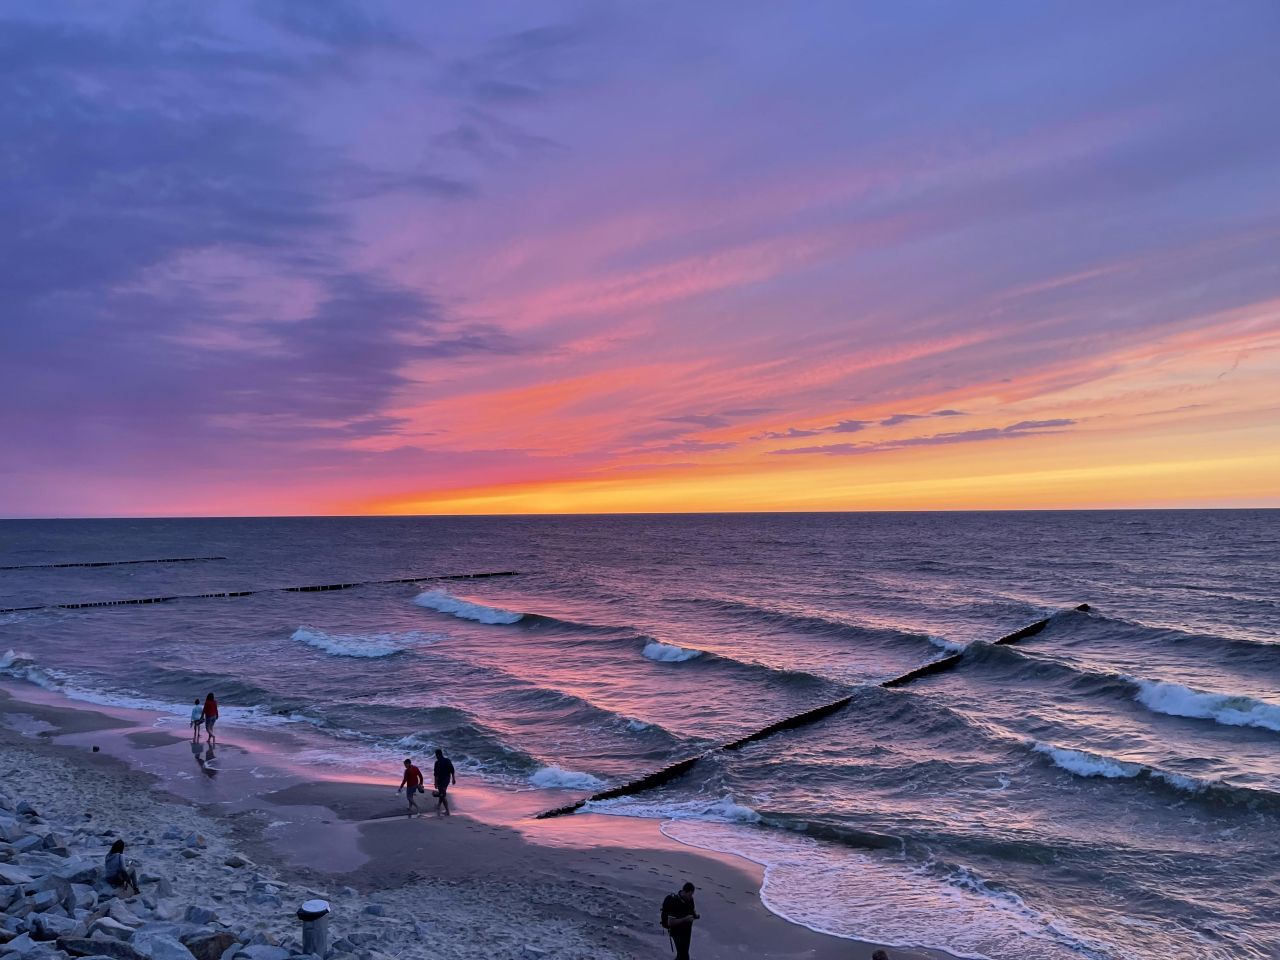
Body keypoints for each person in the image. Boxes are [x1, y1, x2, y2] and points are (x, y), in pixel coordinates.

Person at [661, 881, 699, 960]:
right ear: (684, 892)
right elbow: (670, 922)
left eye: (692, 895)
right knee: (683, 955)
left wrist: (695, 915)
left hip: (687, 931)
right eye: (689, 895)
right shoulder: (674, 902)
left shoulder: (690, 899)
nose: (690, 897)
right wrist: (685, 919)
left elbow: (692, 910)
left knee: (683, 954)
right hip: (676, 930)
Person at [432, 748, 456, 816]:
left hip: (443, 780)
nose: (436, 756)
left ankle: (447, 811)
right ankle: (439, 806)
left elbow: (435, 774)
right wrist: (453, 778)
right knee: (442, 794)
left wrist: (435, 783)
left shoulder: (437, 763)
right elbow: (452, 770)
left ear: (438, 755)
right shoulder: (447, 760)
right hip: (446, 779)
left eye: (436, 755)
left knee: (442, 794)